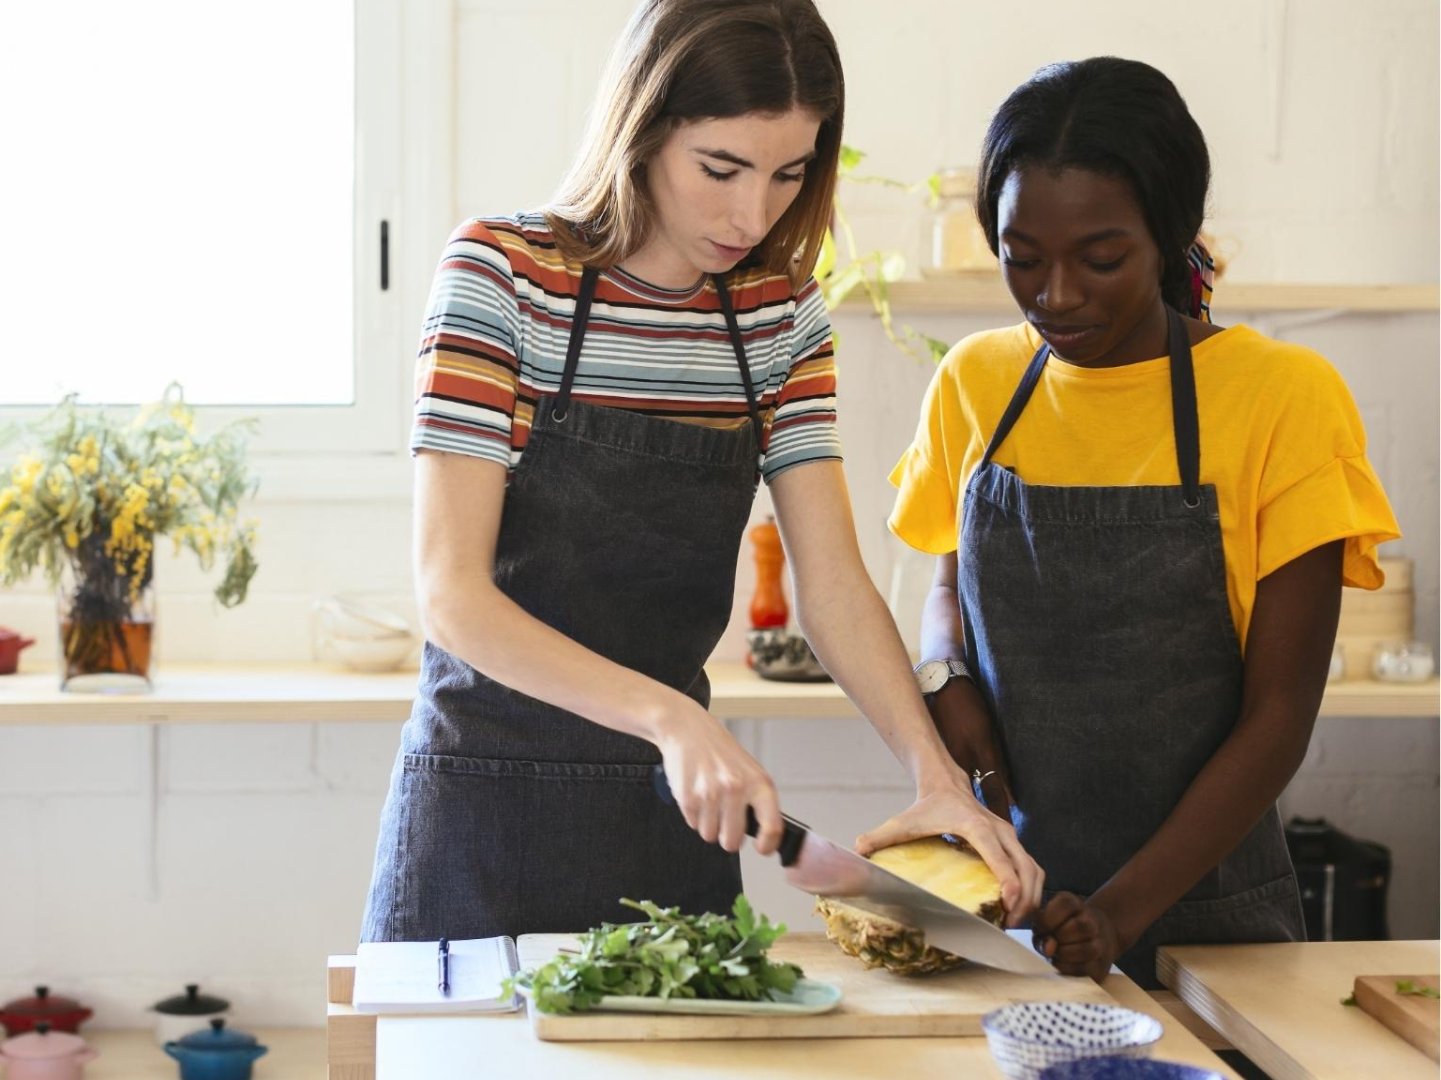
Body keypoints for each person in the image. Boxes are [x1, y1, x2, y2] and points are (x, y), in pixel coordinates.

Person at [360, 0, 1041, 945]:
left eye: (788, 174)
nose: (752, 213)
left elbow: (834, 584)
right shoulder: (507, 276)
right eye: (720, 168)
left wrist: (935, 778)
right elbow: (452, 598)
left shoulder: (777, 313)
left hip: (677, 822)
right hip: (481, 810)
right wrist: (672, 719)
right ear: (641, 131)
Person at [885, 57, 1402, 985]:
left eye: (1100, 257)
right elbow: (947, 585)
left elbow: (1281, 716)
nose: (1055, 296)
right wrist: (944, 669)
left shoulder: (1284, 397)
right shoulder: (976, 380)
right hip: (1012, 906)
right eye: (1023, 256)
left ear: (1169, 239)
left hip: (1216, 933)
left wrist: (1119, 911)